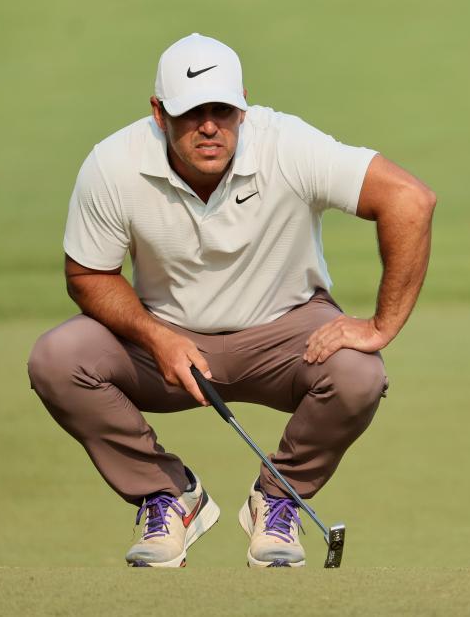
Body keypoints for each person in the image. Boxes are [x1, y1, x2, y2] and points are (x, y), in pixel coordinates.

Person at [27, 33, 436, 568]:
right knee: (57, 359)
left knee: (359, 374)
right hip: (165, 339)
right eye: (192, 112)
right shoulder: (113, 164)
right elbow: (87, 275)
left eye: (223, 109)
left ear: (243, 104)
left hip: (286, 332)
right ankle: (169, 497)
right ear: (158, 112)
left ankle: (277, 498)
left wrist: (382, 327)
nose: (210, 126)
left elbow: (410, 200)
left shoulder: (286, 144)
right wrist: (156, 337)